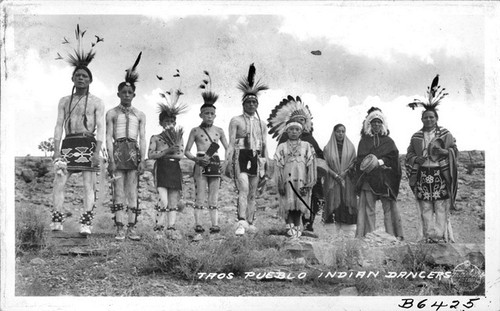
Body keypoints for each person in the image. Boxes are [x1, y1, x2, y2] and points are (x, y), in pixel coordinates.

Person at [51, 25, 104, 235]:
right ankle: (56, 220)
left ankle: (86, 223)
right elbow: (58, 125)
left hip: (88, 144)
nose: (81, 78)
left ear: (90, 80)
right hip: (69, 144)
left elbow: (100, 128)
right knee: (59, 182)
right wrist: (56, 150)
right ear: (72, 78)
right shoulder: (64, 101)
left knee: (88, 186)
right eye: (78, 75)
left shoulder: (97, 102)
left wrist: (97, 153)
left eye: (85, 76)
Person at [405, 75, 457, 243]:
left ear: (436, 119)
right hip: (423, 174)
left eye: (431, 117)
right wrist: (416, 160)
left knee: (441, 206)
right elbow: (409, 155)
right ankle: (428, 237)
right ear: (421, 119)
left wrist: (444, 151)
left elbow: (455, 150)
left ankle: (440, 236)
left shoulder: (445, 134)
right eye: (426, 117)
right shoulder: (416, 137)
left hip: (440, 173)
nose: (428, 119)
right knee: (426, 207)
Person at [105, 52, 146, 241]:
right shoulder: (112, 113)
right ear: (118, 94)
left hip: (133, 152)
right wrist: (111, 159)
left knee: (132, 190)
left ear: (134, 95)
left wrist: (142, 160)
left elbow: (142, 137)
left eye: (130, 93)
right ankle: (120, 227)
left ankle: (132, 227)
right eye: (124, 92)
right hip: (118, 150)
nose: (127, 95)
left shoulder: (140, 114)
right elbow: (107, 136)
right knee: (118, 190)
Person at [269, 96, 324, 233]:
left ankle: (305, 225)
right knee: (289, 200)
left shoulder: (309, 141)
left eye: (303, 120)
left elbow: (316, 159)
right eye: (297, 121)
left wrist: (313, 179)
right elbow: (278, 162)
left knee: (304, 200)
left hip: (304, 177)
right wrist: (279, 181)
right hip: (287, 177)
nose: (300, 123)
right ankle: (290, 226)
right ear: (288, 128)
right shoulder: (283, 142)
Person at [185, 72, 229, 239]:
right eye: (206, 113)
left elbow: (228, 148)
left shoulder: (219, 131)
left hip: (215, 163)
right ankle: (198, 227)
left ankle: (215, 227)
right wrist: (196, 159)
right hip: (200, 163)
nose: (209, 116)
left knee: (214, 196)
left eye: (212, 113)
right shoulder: (195, 131)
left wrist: (226, 162)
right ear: (201, 114)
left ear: (215, 115)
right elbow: (186, 150)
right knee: (200, 195)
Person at [227, 63, 269, 236]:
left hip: (256, 157)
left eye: (254, 102)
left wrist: (266, 166)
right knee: (243, 189)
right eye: (249, 101)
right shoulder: (236, 120)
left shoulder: (262, 123)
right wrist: (228, 162)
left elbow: (265, 146)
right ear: (243, 103)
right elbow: (231, 143)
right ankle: (241, 221)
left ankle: (250, 222)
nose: (252, 104)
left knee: (253, 191)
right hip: (241, 156)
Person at [354, 107, 403, 239]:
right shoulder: (364, 141)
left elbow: (394, 158)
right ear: (369, 124)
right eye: (373, 122)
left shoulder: (389, 141)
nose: (376, 124)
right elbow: (360, 159)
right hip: (368, 178)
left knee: (388, 208)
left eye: (379, 122)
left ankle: (391, 235)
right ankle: (369, 235)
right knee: (369, 208)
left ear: (382, 124)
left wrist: (380, 161)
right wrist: (368, 163)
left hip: (385, 178)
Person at [148, 85, 187, 240]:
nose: (169, 123)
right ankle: (158, 227)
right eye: (166, 121)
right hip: (162, 168)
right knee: (163, 199)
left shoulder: (179, 138)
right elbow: (151, 154)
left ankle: (170, 228)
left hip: (174, 168)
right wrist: (166, 151)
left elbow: (180, 154)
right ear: (161, 122)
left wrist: (173, 151)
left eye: (172, 121)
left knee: (173, 201)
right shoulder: (156, 138)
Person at [322, 124, 358, 233]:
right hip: (332, 181)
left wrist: (345, 172)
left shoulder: (351, 147)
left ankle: (349, 229)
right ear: (334, 133)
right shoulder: (327, 148)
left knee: (347, 203)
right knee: (333, 203)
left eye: (343, 131)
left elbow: (354, 162)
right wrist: (335, 175)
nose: (341, 133)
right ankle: (332, 229)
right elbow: (325, 164)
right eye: (338, 131)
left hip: (347, 182)